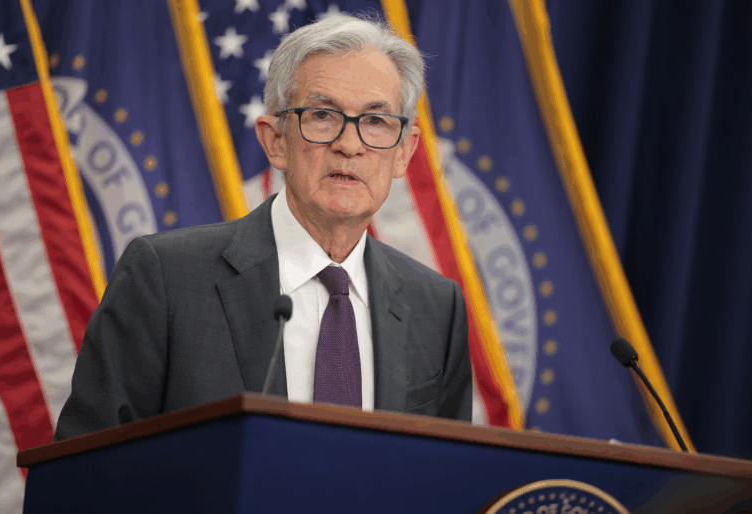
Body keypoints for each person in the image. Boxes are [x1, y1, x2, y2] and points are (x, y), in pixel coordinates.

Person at [54, 13, 471, 441]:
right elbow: (84, 472)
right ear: (275, 141)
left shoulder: (437, 306)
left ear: (404, 152)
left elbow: (447, 475)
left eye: (375, 121)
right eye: (323, 116)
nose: (349, 145)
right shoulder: (164, 278)